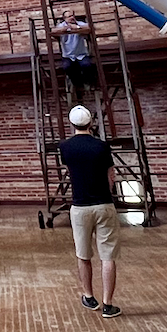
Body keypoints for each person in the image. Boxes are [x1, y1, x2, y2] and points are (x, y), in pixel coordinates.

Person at [59, 105, 121, 317]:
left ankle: (89, 296)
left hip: (80, 206)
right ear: (91, 123)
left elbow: (70, 171)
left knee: (83, 255)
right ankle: (108, 304)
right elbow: (110, 174)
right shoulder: (102, 147)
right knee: (108, 256)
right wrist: (107, 193)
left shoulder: (65, 147)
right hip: (104, 204)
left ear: (72, 123)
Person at [52, 8, 97, 100]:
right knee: (67, 67)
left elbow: (91, 28)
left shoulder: (79, 24)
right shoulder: (62, 25)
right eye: (69, 16)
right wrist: (66, 29)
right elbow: (53, 31)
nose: (71, 18)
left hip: (81, 54)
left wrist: (76, 28)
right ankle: (77, 83)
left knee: (87, 65)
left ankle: (87, 82)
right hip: (68, 56)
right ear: (64, 19)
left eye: (72, 16)